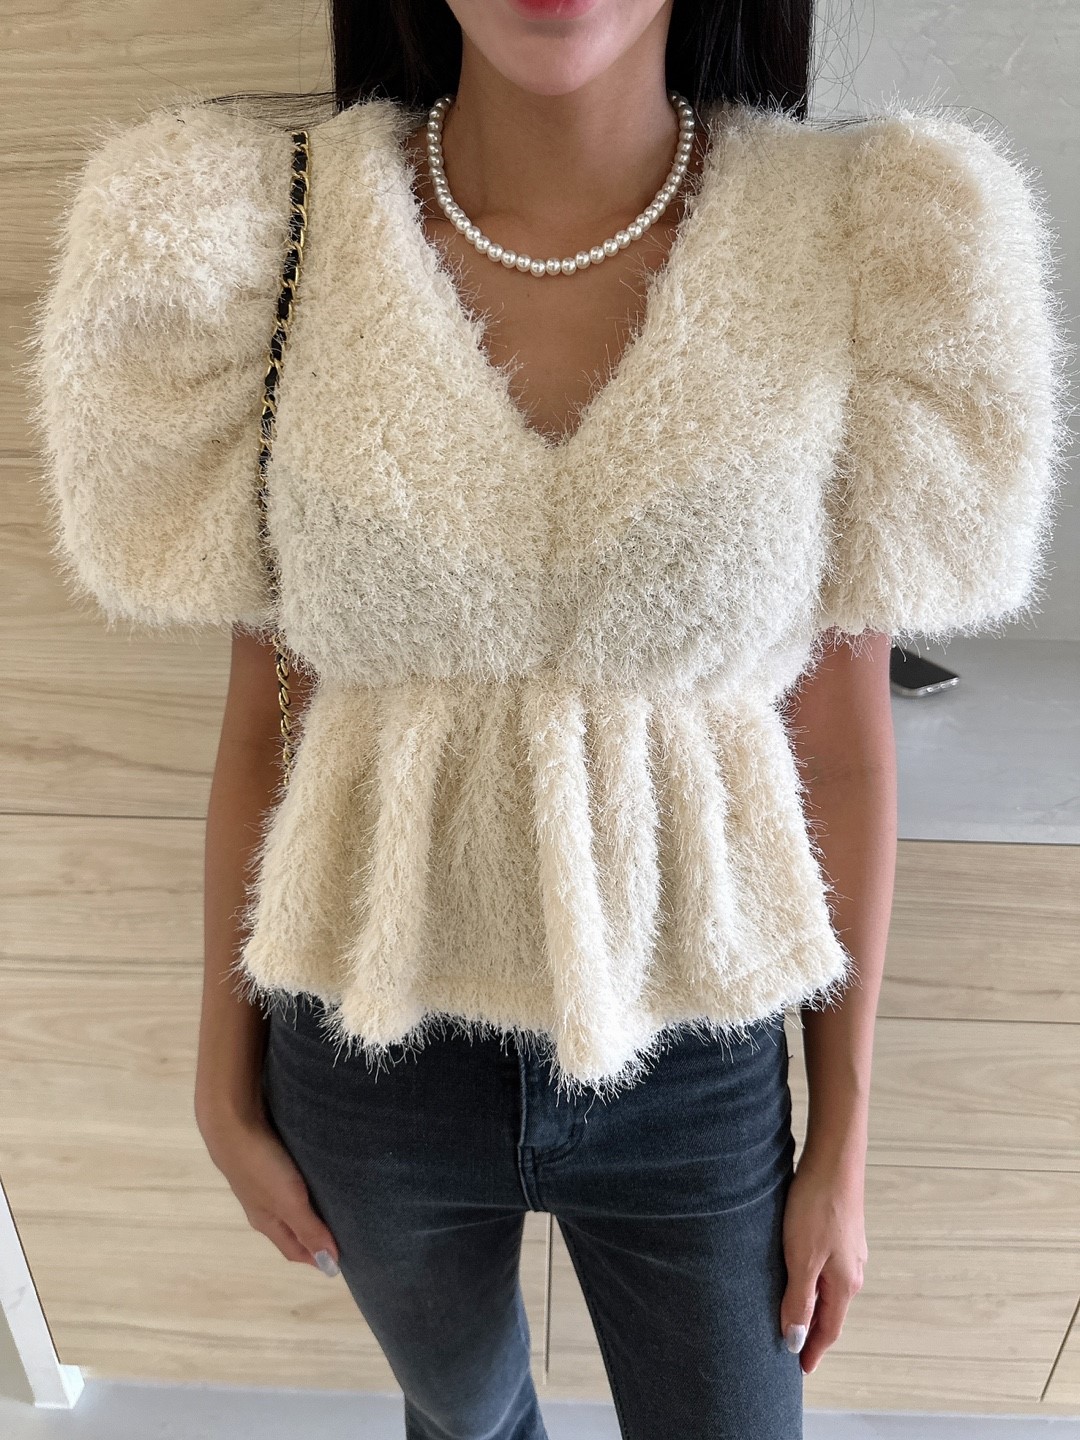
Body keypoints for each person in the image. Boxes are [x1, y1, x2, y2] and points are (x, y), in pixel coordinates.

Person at [26, 1, 1069, 1436]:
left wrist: (843, 1143)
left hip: (698, 1048)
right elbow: (270, 713)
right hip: (366, 1049)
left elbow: (836, 746)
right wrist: (222, 1076)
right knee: (465, 1419)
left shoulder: (862, 235)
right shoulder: (263, 234)